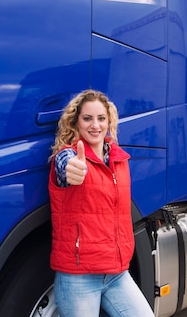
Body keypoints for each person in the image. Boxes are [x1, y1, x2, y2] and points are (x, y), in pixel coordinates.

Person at [48, 89, 154, 317]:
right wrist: (71, 170)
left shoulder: (119, 161)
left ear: (109, 122)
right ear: (76, 122)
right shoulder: (67, 156)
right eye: (87, 118)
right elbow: (65, 167)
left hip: (116, 274)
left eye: (101, 118)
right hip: (79, 277)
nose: (95, 125)